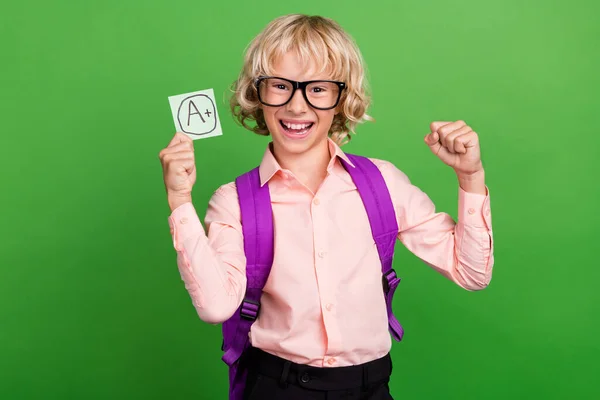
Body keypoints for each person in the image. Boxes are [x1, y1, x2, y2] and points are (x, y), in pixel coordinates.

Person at [158, 14, 494, 400]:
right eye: (280, 86)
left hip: (370, 388)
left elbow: (472, 274)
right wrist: (179, 199)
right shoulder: (233, 200)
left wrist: (471, 176)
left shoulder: (382, 183)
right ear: (258, 94)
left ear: (342, 98)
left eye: (317, 89)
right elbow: (216, 306)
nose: (297, 106)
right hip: (275, 387)